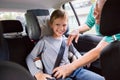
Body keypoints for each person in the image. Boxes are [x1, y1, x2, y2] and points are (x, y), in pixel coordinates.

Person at [26, 9, 105, 80]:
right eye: (57, 24)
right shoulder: (44, 41)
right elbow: (30, 57)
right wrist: (38, 74)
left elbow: (75, 52)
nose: (61, 28)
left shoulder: (66, 40)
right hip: (57, 75)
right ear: (51, 24)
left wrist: (83, 59)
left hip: (73, 70)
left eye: (64, 25)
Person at [52, 0, 120, 79]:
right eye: (94, 13)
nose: (96, 18)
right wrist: (77, 30)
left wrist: (70, 66)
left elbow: (98, 50)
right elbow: (88, 24)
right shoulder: (96, 6)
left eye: (101, 15)